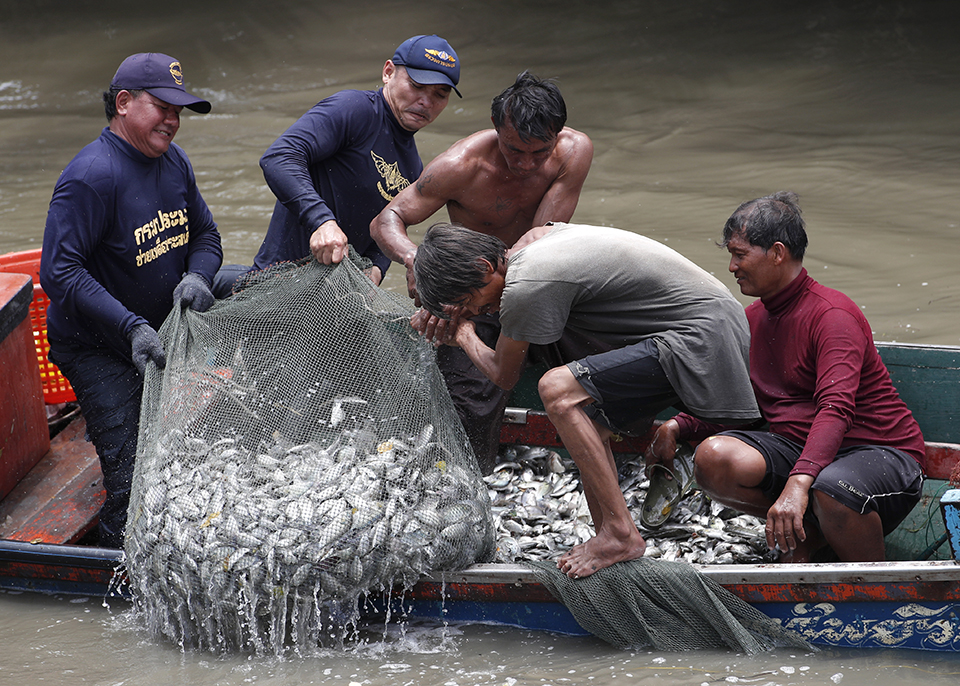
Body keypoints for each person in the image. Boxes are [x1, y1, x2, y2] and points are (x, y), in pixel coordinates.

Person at [412, 222, 760, 578]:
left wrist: (464, 334)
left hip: (702, 337)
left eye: (467, 301)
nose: (476, 312)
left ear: (484, 267)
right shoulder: (532, 246)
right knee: (590, 422)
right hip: (702, 327)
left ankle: (620, 535)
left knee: (556, 390)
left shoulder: (526, 284)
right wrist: (456, 309)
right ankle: (610, 534)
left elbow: (504, 374)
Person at [645, 192, 925, 563]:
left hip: (875, 451)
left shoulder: (832, 315)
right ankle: (810, 533)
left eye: (740, 254)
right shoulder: (751, 319)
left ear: (777, 253)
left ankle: (875, 583)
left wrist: (798, 483)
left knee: (832, 489)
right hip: (797, 446)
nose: (731, 266)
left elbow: (835, 408)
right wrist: (677, 426)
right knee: (712, 458)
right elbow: (739, 402)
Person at [39, 53, 222, 548]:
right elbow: (59, 273)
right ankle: (113, 566)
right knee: (134, 483)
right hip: (98, 345)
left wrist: (198, 277)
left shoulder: (173, 161)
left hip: (156, 331)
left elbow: (206, 235)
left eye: (178, 112)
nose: (172, 121)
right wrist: (130, 327)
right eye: (162, 107)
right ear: (123, 103)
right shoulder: (91, 176)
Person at [370, 71, 594, 471]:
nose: (525, 164)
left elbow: (541, 243)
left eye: (539, 153)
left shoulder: (574, 151)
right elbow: (387, 219)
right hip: (477, 292)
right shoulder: (461, 165)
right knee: (468, 398)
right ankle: (467, 477)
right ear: (496, 126)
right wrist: (416, 260)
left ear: (557, 136)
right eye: (514, 150)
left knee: (605, 358)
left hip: (534, 276)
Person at [212, 35, 461, 296]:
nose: (426, 102)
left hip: (333, 297)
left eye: (440, 94)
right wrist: (322, 222)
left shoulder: (413, 167)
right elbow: (279, 157)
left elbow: (388, 225)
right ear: (388, 72)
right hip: (275, 284)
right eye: (416, 85)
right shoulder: (354, 110)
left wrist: (377, 266)